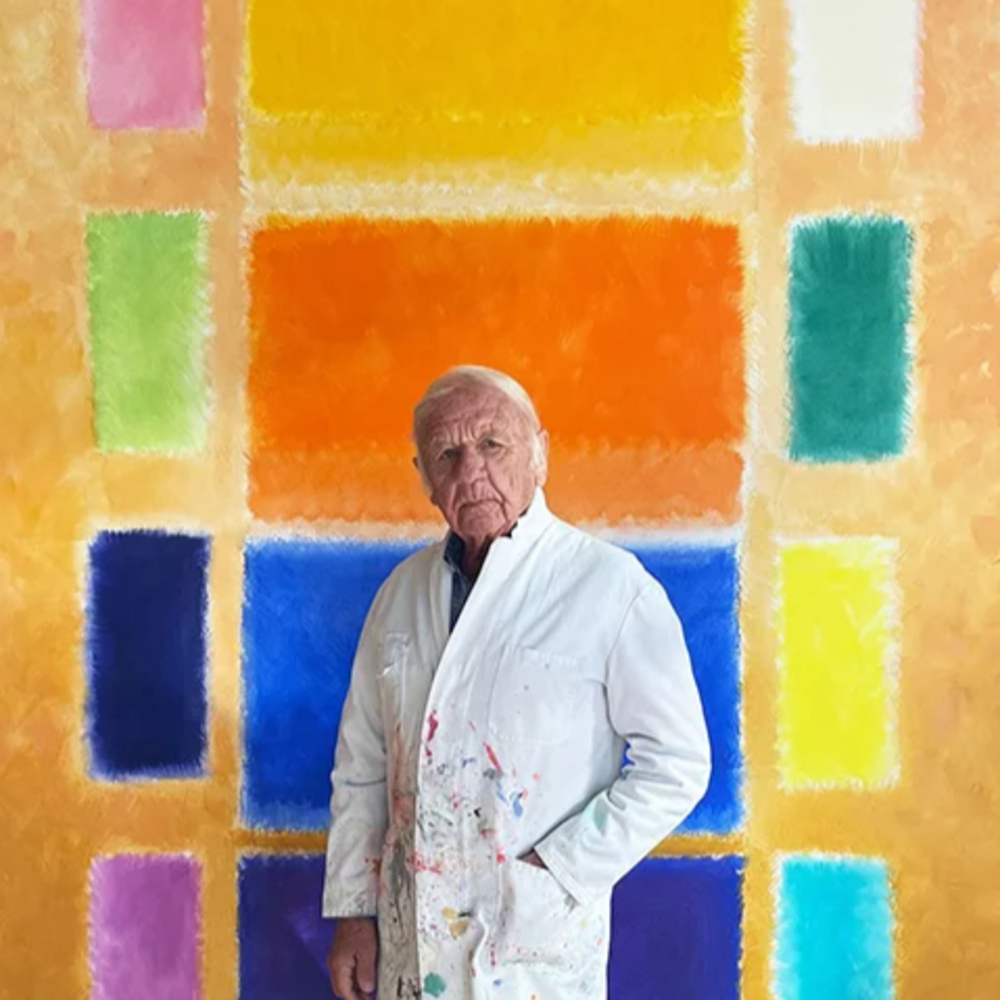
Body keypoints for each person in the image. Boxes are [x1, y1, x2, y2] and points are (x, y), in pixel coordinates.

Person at [323, 365, 711, 1000]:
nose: (471, 471)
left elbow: (679, 762)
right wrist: (354, 911)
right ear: (424, 479)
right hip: (409, 938)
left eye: (492, 444)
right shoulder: (399, 595)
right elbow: (362, 765)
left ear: (540, 455)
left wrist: (557, 867)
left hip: (531, 947)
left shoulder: (611, 588)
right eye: (446, 454)